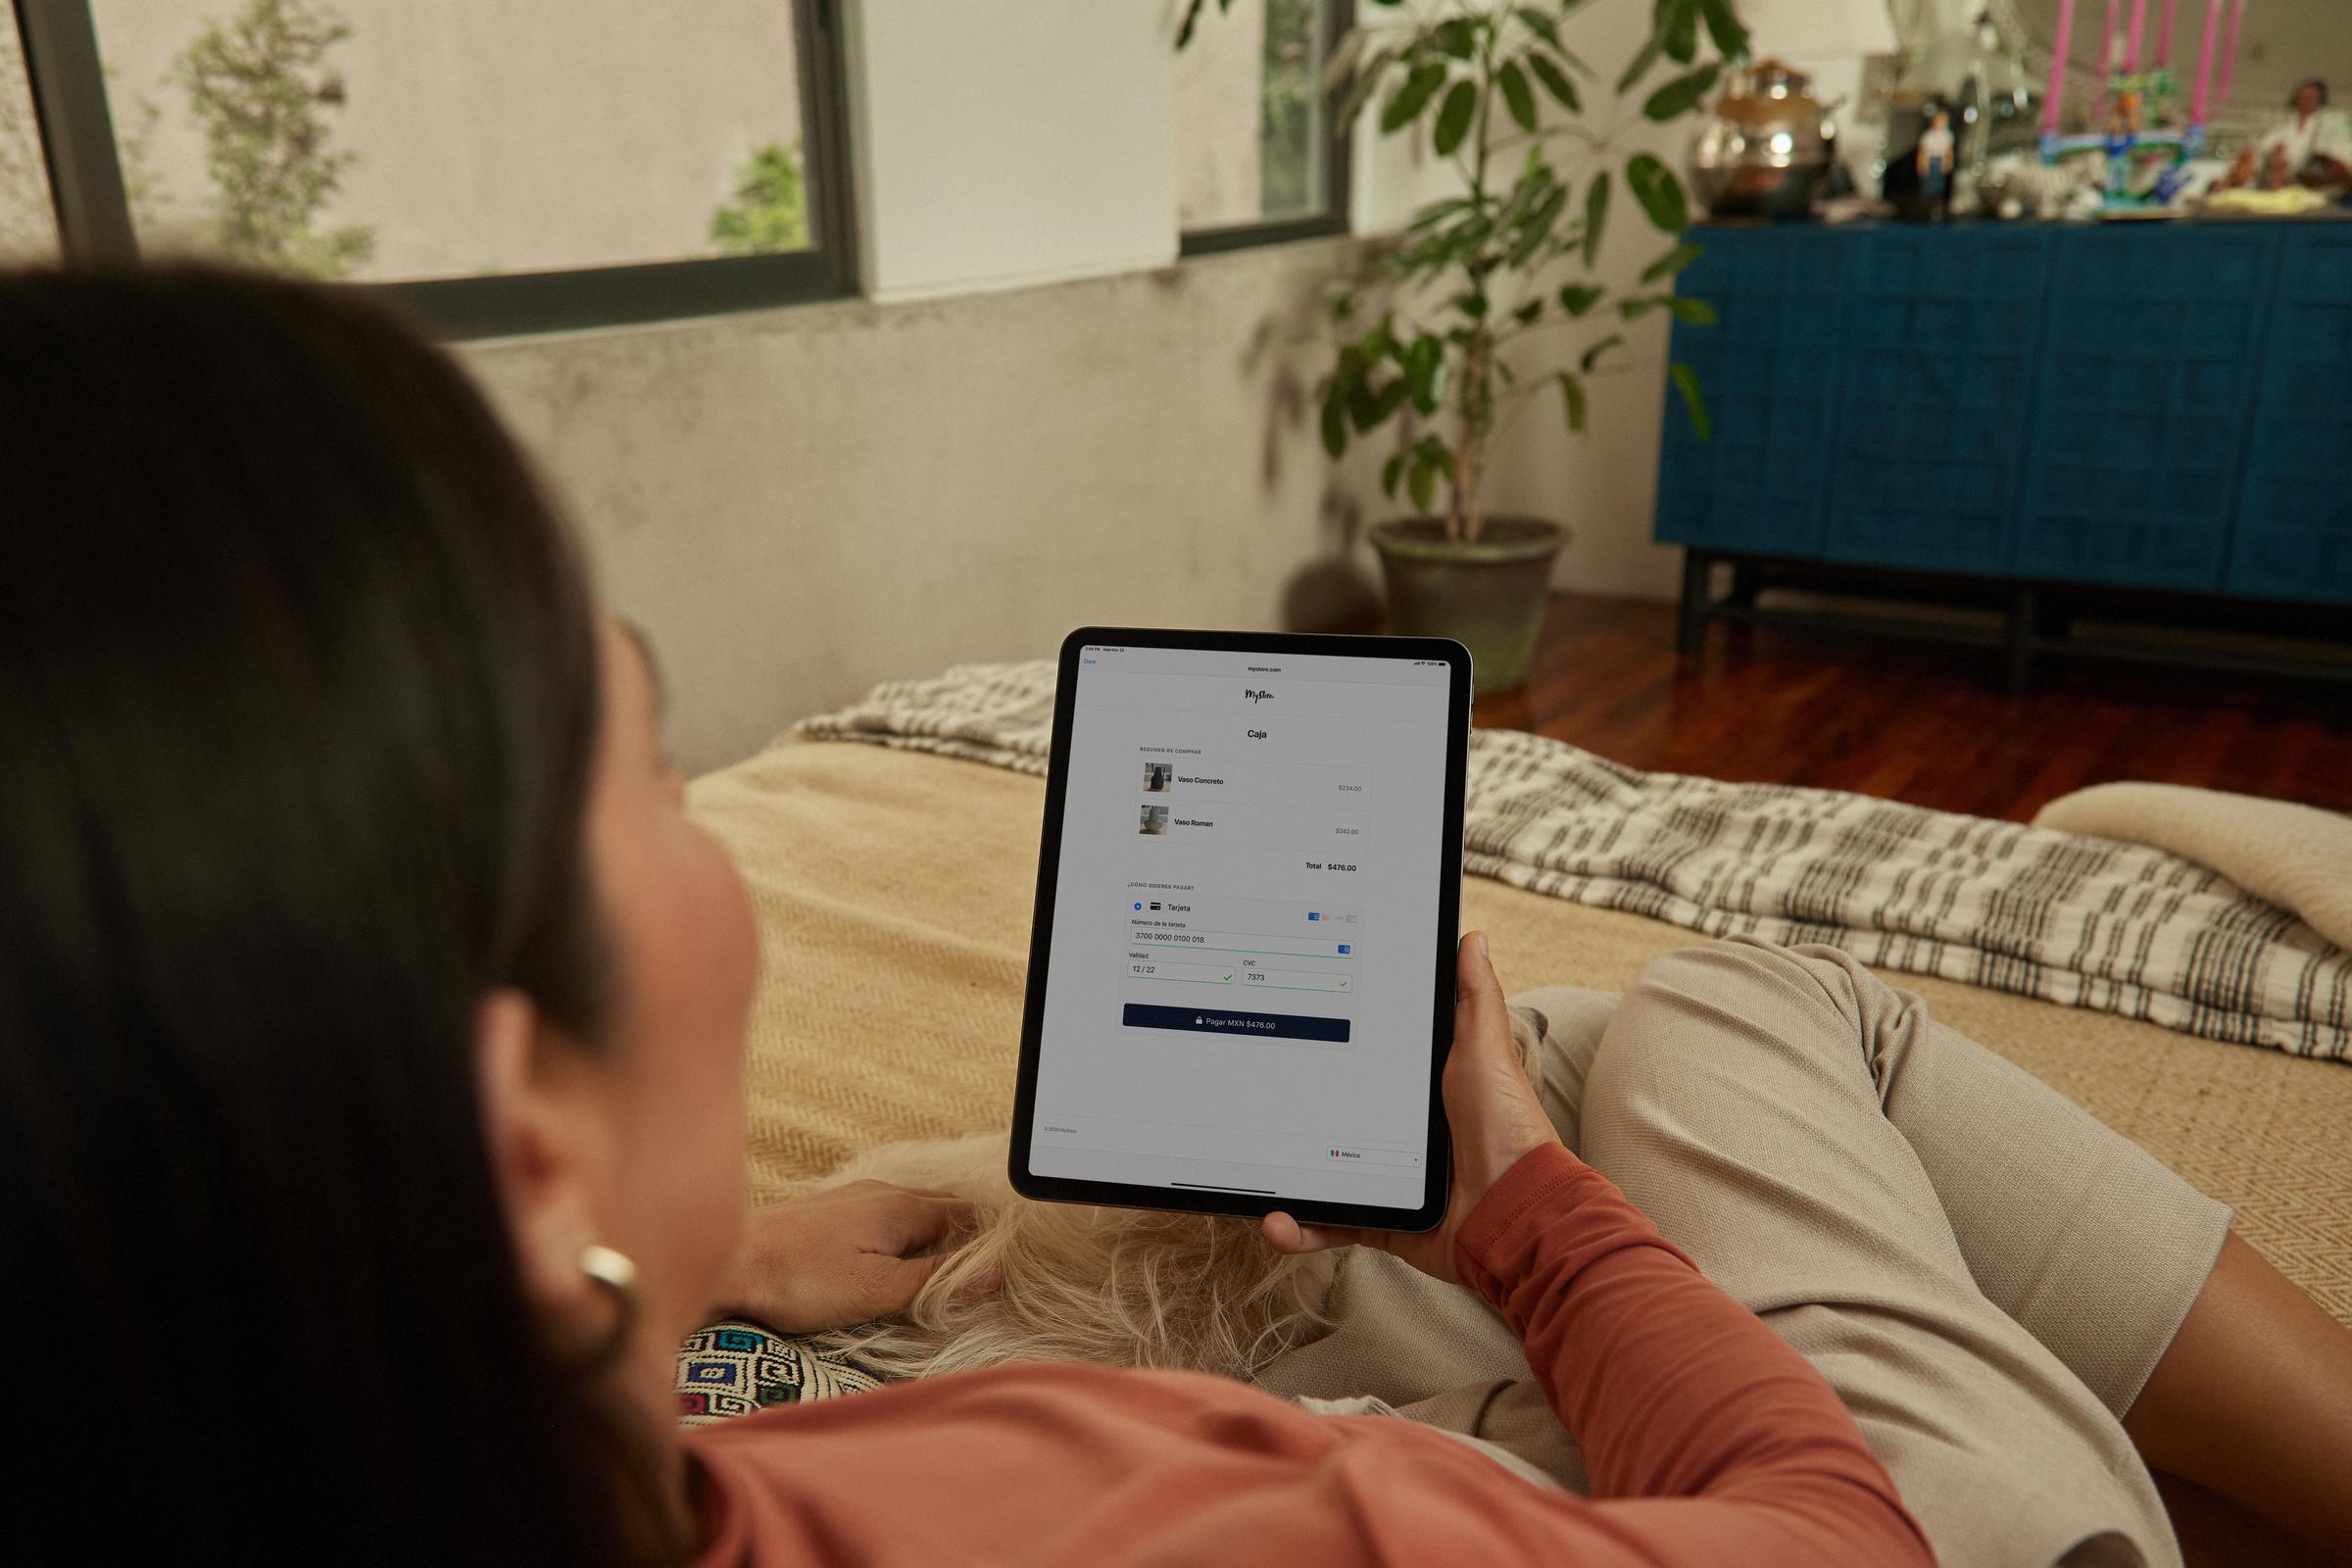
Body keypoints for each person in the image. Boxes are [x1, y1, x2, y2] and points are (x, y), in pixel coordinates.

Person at [4, 268, 2349, 1566]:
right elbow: (1825, 1529)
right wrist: (1521, 1215)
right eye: (651, 761)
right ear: (519, 1158)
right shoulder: (1142, 1510)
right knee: (1712, 1023)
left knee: (1437, 1169)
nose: (715, 828)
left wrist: (693, 1259)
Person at [2224, 79, 2352, 192]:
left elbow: (2341, 159)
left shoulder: (2330, 128)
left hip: (2320, 189)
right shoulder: (2281, 129)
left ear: (2319, 101)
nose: (2305, 101)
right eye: (2302, 97)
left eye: (2311, 97)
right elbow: (2260, 151)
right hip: (2282, 188)